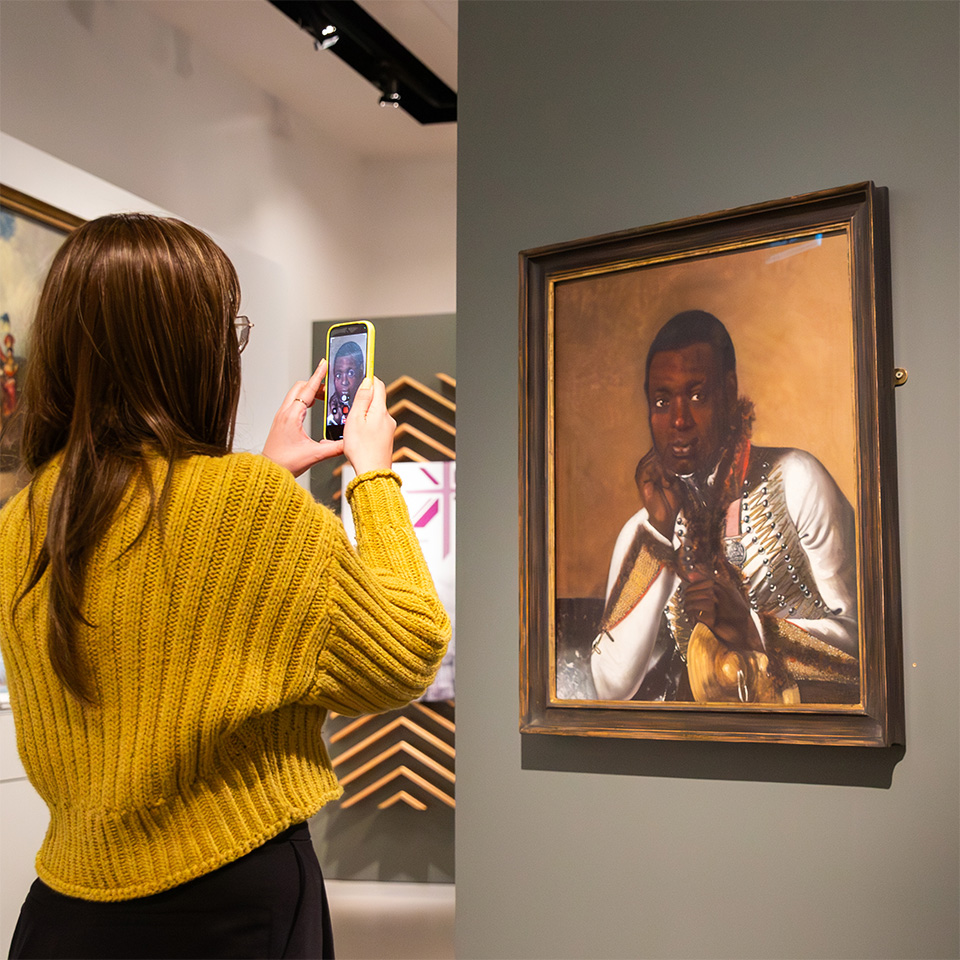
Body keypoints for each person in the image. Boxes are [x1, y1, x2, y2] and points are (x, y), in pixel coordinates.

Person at [0, 214, 450, 959]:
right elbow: (406, 654)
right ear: (194, 350)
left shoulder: (20, 524)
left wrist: (261, 479)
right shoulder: (248, 504)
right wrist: (374, 479)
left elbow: (149, 611)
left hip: (63, 917)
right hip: (229, 911)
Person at [589, 310, 858, 704]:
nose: (679, 420)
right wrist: (659, 534)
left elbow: (868, 648)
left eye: (697, 395)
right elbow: (610, 687)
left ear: (729, 392)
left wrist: (752, 630)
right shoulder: (645, 530)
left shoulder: (796, 479)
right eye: (662, 402)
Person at [332, 341, 364, 422]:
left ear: (360, 374)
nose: (344, 382)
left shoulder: (370, 415)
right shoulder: (332, 420)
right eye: (338, 375)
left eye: (350, 373)